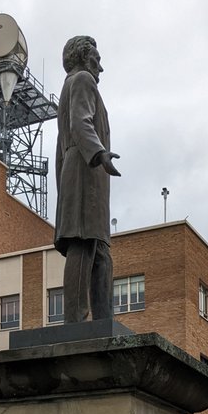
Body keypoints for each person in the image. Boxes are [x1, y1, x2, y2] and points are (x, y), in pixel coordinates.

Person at [54, 35, 121, 323]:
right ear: (84, 56)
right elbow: (80, 121)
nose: (100, 68)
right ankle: (76, 321)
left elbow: (61, 147)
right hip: (84, 171)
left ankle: (104, 320)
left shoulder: (72, 84)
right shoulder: (81, 79)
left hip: (85, 175)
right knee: (83, 242)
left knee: (101, 253)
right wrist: (99, 154)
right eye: (98, 59)